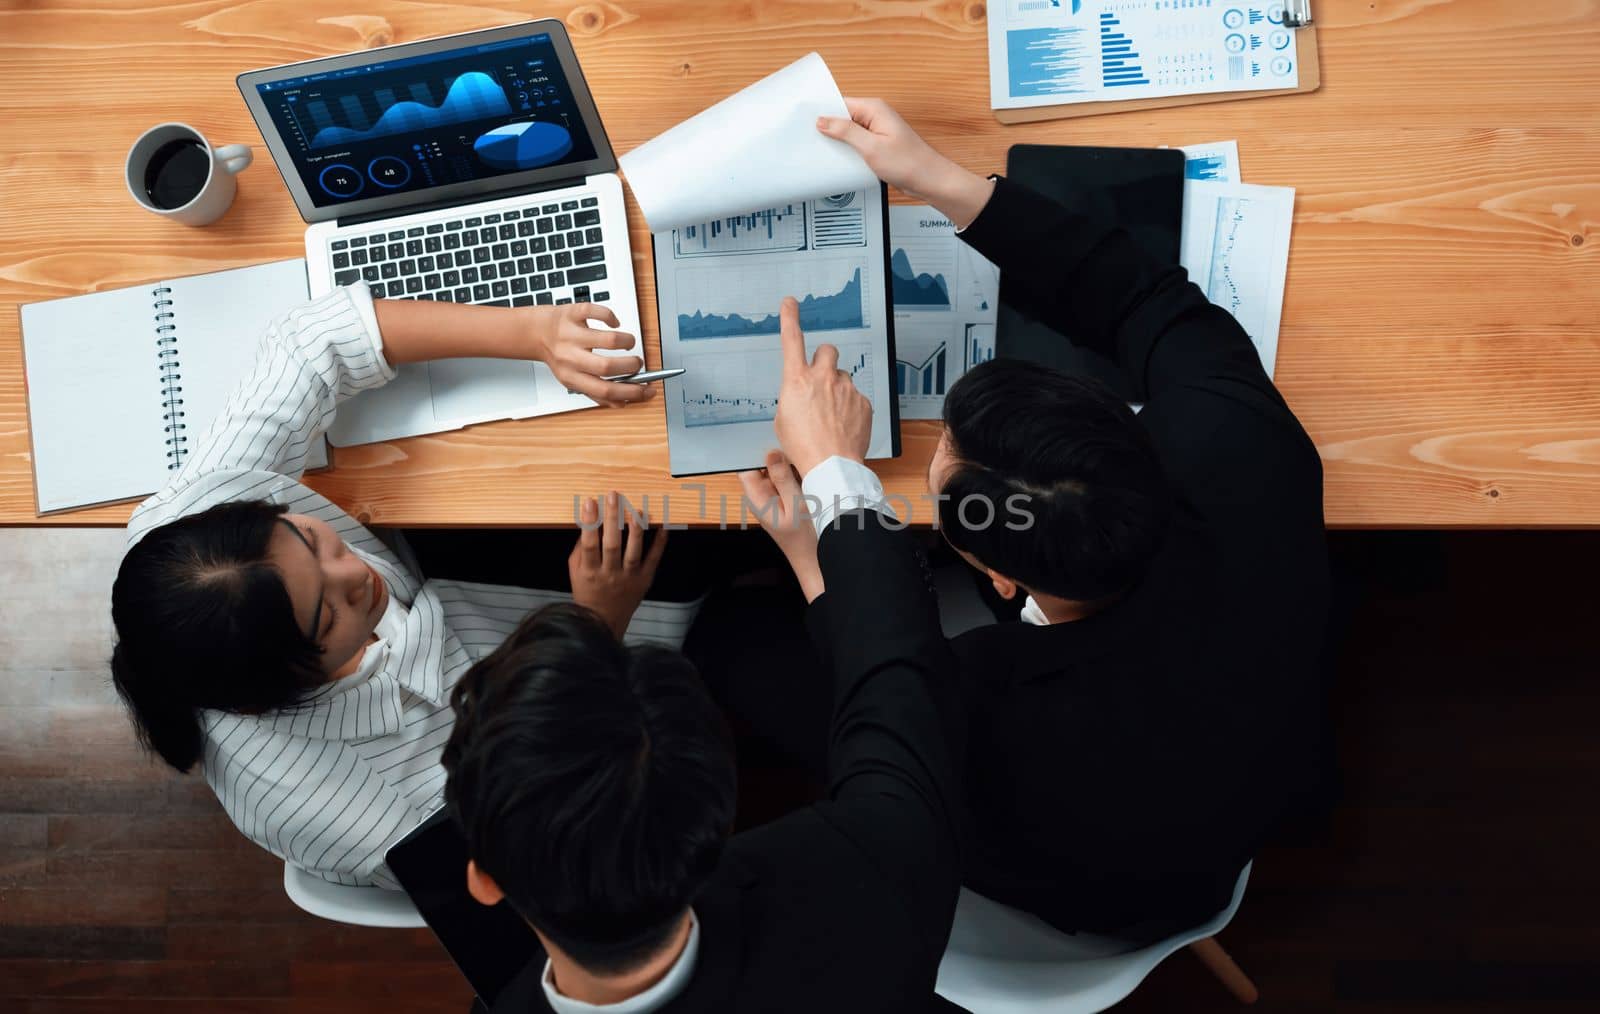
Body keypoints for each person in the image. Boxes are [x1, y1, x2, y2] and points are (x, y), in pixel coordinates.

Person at [698, 98, 1331, 938]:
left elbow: (880, 683)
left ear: (998, 577)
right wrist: (941, 181)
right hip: (1250, 759)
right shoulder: (1242, 446)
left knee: (726, 637)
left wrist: (831, 508)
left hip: (1098, 884)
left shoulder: (979, 704)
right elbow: (1146, 295)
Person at [441, 299, 967, 1012]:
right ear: (723, 819)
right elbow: (897, 685)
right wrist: (836, 477)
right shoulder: (867, 879)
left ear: (483, 880)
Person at [109, 286, 690, 888]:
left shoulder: (198, 526)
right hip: (599, 695)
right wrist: (594, 631)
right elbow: (540, 853)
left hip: (480, 591)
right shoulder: (355, 810)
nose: (355, 573)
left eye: (312, 540)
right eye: (327, 616)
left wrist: (534, 333)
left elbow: (313, 343)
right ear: (274, 690)